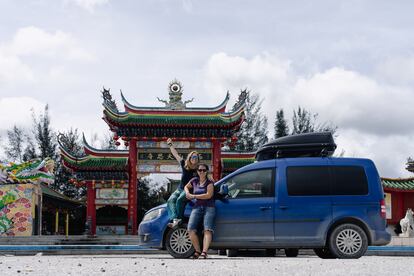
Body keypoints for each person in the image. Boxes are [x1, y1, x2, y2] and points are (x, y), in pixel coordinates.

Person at [166, 138, 199, 228]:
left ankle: (178, 220)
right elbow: (175, 154)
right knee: (170, 200)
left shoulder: (199, 169)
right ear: (190, 158)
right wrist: (170, 145)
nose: (194, 159)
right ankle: (174, 219)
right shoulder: (184, 164)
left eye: (196, 157)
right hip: (180, 188)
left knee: (180, 200)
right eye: (193, 157)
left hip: (190, 190)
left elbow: (208, 177)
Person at [184, 163, 215, 259]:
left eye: (204, 170)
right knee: (190, 229)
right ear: (197, 171)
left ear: (206, 171)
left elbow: (208, 195)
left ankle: (204, 252)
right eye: (200, 170)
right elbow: (186, 187)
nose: (202, 172)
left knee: (207, 229)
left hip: (209, 207)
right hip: (197, 207)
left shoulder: (209, 182)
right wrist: (187, 192)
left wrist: (193, 196)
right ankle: (197, 250)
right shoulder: (194, 181)